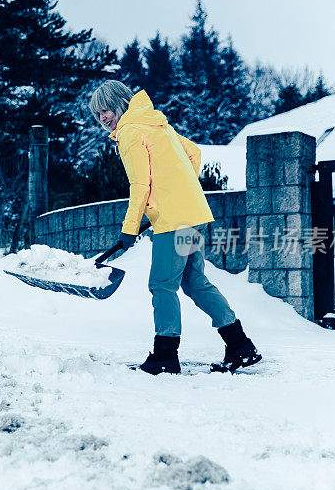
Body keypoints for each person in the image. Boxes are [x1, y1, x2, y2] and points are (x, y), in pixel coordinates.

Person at [88, 80, 261, 375]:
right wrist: (179, 189)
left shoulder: (130, 131)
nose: (103, 118)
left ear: (118, 103)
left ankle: (165, 354)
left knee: (161, 285)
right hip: (191, 216)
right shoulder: (156, 123)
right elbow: (193, 152)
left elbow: (140, 184)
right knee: (194, 282)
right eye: (98, 114)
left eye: (105, 110)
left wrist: (130, 227)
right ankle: (240, 345)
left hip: (173, 221)